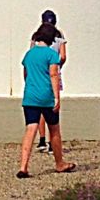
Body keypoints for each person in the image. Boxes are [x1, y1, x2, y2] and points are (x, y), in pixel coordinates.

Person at [17, 22, 76, 178]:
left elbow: (26, 75)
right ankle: (59, 163)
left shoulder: (28, 54)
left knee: (30, 129)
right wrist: (57, 96)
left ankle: (23, 166)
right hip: (46, 96)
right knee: (54, 129)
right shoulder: (51, 55)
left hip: (30, 96)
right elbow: (53, 75)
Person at [32, 10, 67, 152]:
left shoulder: (37, 35)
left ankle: (41, 140)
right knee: (53, 107)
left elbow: (32, 54)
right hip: (54, 74)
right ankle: (53, 143)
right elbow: (63, 56)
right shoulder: (59, 35)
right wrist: (57, 67)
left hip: (39, 74)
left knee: (40, 109)